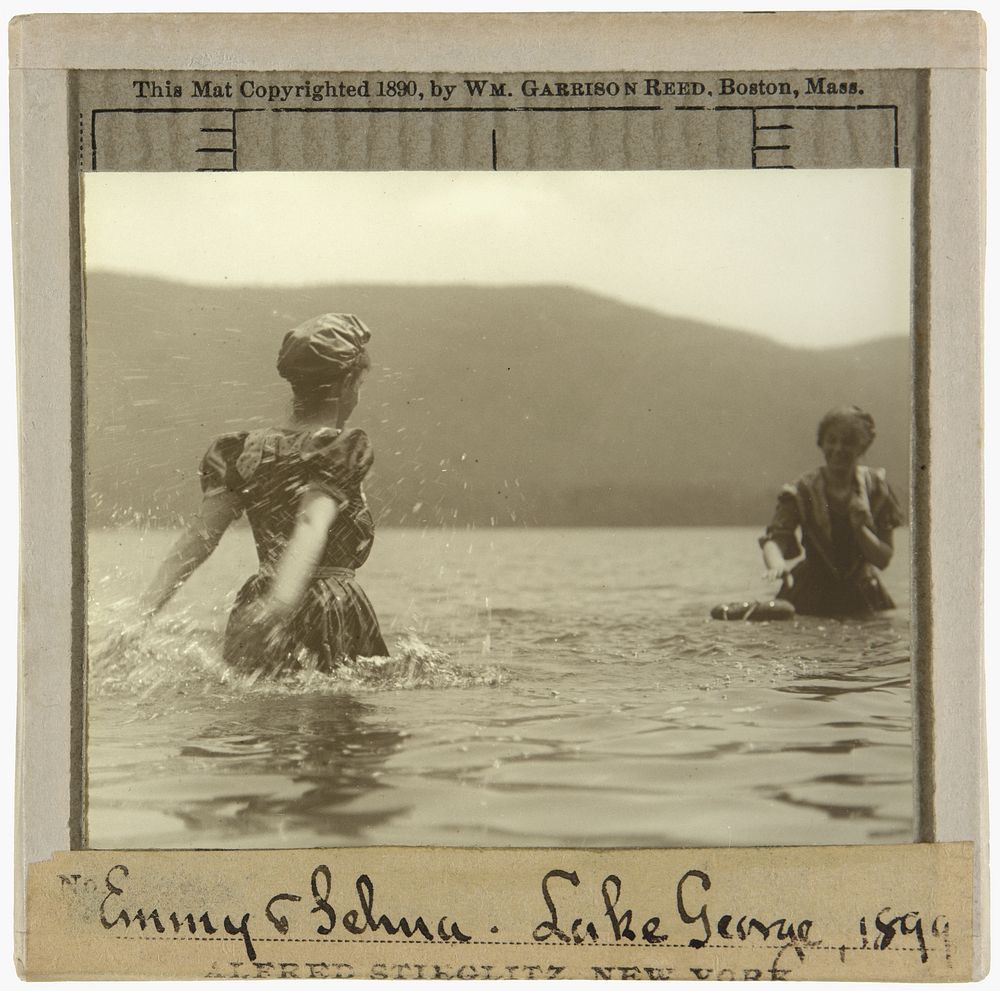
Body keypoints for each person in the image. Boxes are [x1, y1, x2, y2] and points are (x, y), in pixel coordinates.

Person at [134, 312, 389, 675]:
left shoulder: (242, 451)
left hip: (256, 598)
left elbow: (199, 539)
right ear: (347, 383)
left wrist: (140, 617)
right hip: (326, 605)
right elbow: (310, 522)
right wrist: (281, 603)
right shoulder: (342, 447)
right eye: (360, 386)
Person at [759, 405, 904, 617]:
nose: (838, 448)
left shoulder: (876, 488)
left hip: (862, 590)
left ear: (862, 447)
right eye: (832, 440)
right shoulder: (802, 489)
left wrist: (861, 528)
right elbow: (775, 539)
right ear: (821, 443)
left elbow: (883, 559)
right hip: (811, 590)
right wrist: (777, 565)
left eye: (848, 442)